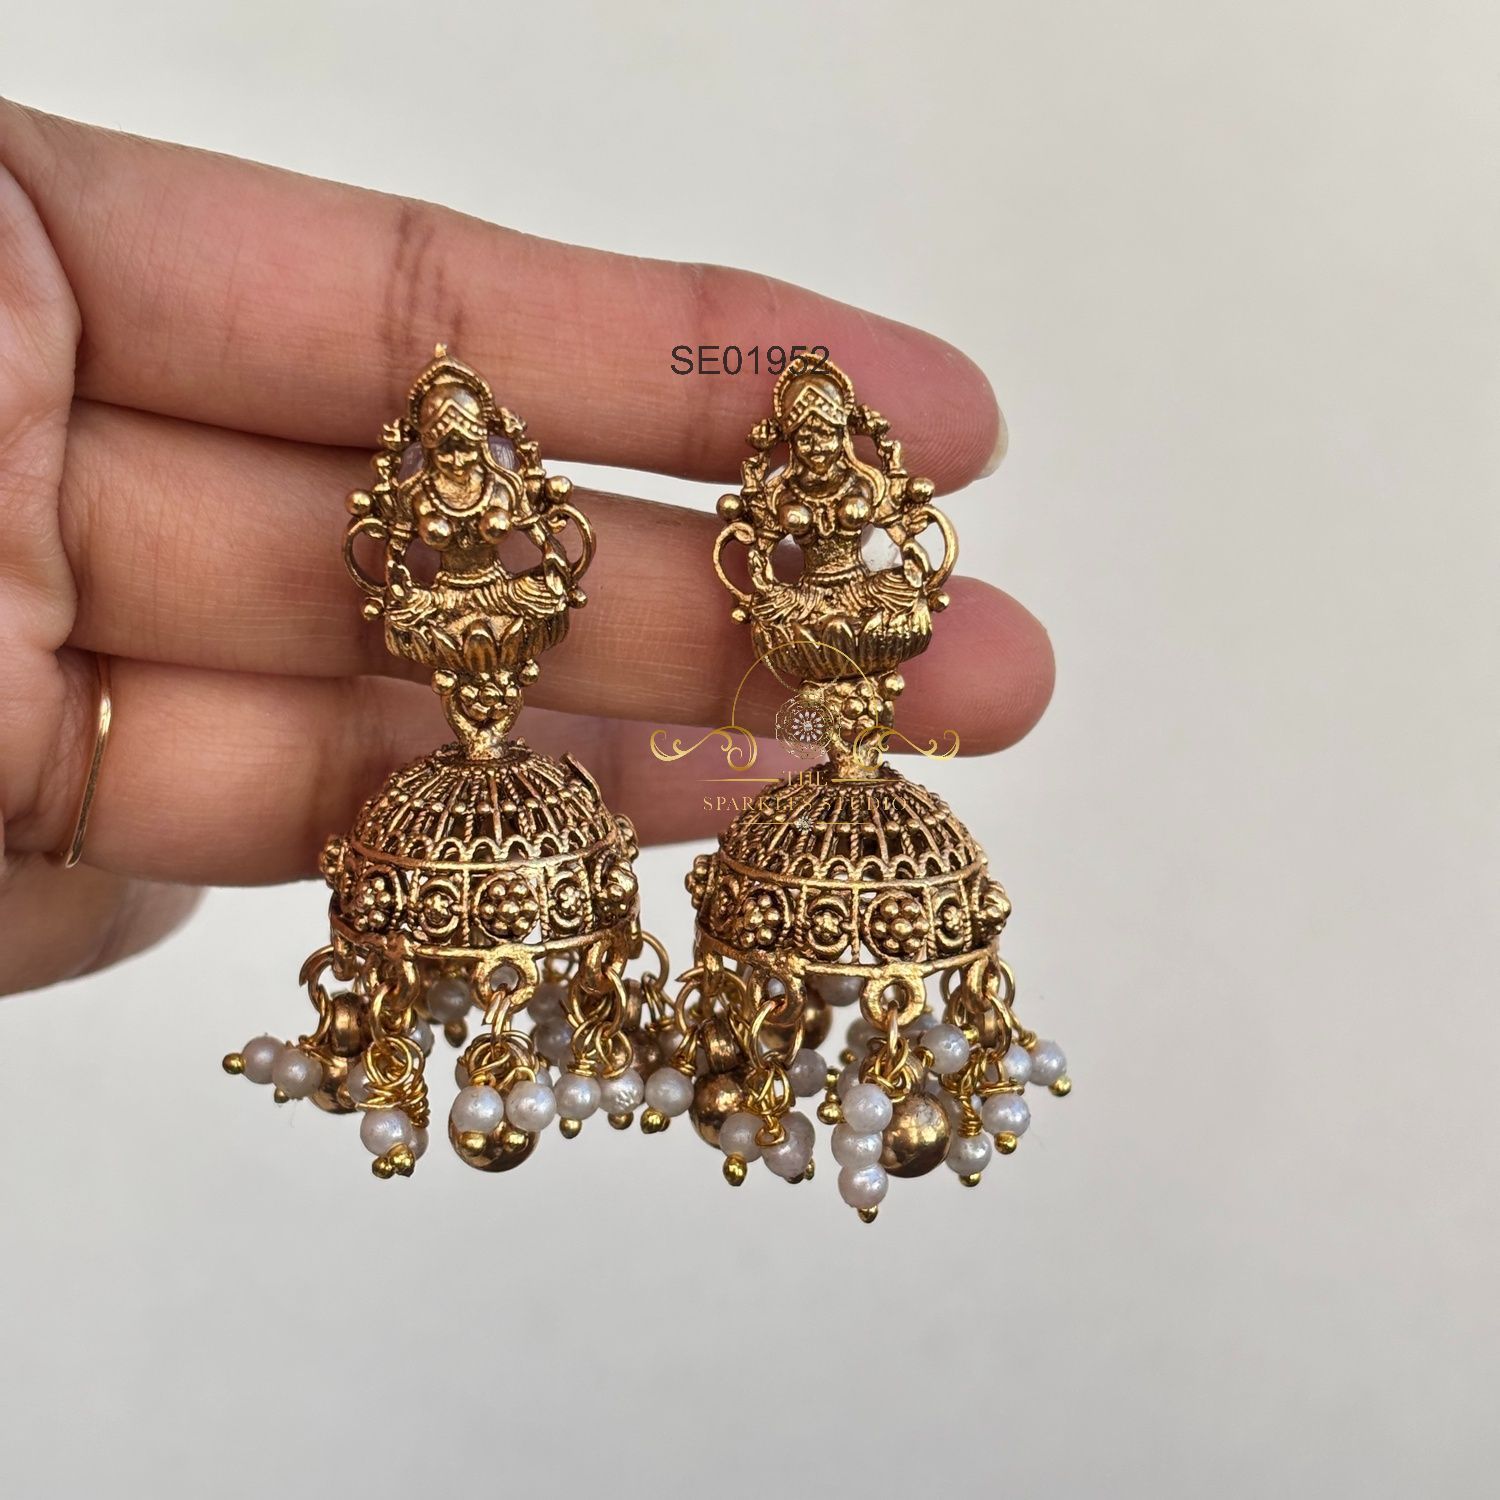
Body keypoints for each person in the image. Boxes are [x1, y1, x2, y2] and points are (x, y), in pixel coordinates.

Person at [0, 101, 1054, 995]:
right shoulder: (436, 488)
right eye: (450, 440)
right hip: (462, 615)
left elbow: (570, 537)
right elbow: (402, 551)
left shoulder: (854, 484)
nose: (817, 448)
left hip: (798, 613)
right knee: (465, 619)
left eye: (828, 434)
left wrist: (567, 581)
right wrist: (429, 585)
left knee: (851, 616)